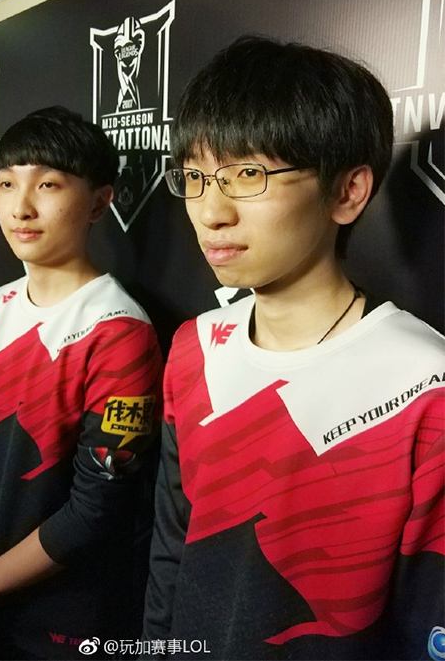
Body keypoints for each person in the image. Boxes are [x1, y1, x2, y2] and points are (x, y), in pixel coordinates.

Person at [143, 37, 444, 660]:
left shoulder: (425, 385)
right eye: (196, 177)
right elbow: (173, 554)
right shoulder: (194, 349)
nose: (211, 211)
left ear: (347, 191)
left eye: (248, 175)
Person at [0, 106, 162, 661]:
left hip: (70, 613)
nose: (21, 206)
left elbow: (95, 510)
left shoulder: (118, 332)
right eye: (7, 183)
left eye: (48, 184)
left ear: (99, 202)